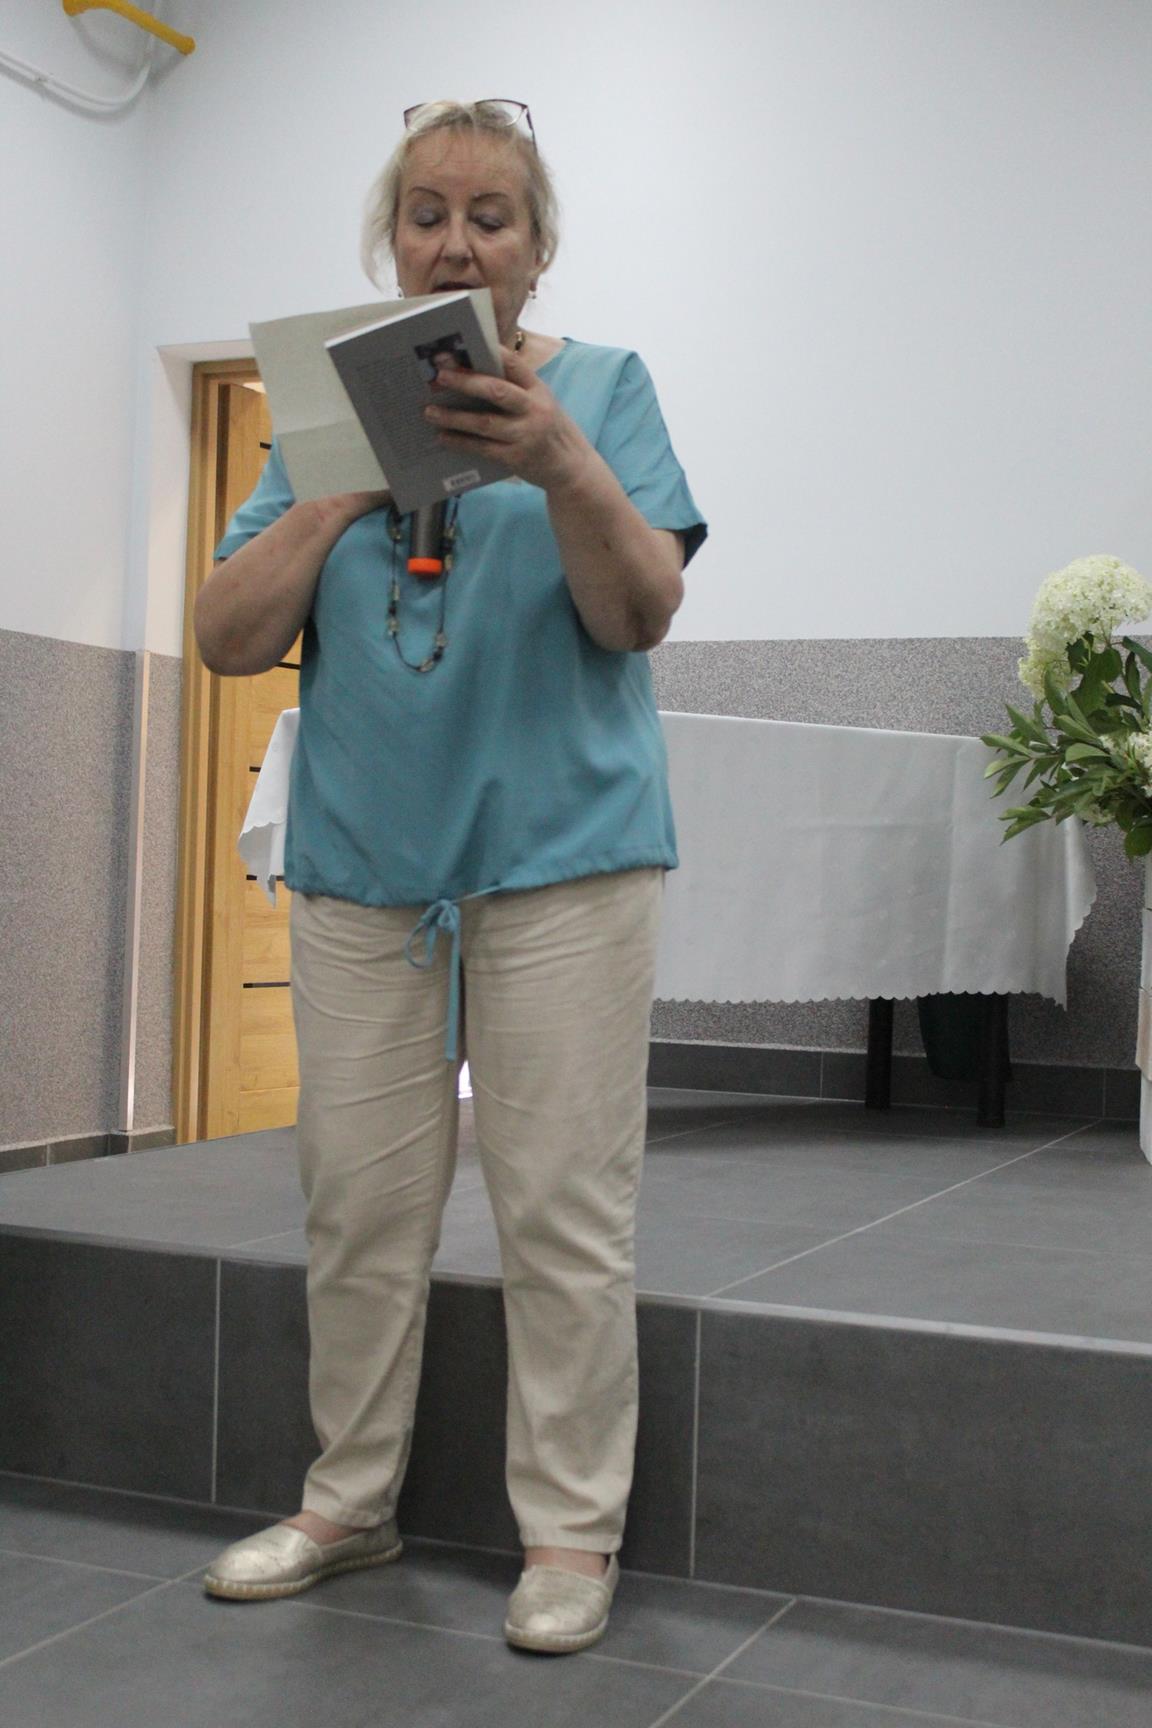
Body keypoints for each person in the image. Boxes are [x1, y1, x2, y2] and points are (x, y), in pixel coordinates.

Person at [195, 98, 706, 1654]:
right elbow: (226, 636)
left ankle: (569, 1535)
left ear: (537, 251)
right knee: (357, 1207)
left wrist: (559, 464)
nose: (457, 241)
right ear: (393, 243)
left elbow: (638, 612)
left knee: (562, 1211)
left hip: (561, 864)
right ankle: (347, 1502)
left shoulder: (603, 390)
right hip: (366, 871)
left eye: (492, 215)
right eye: (427, 212)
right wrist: (340, 490)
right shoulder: (316, 419)